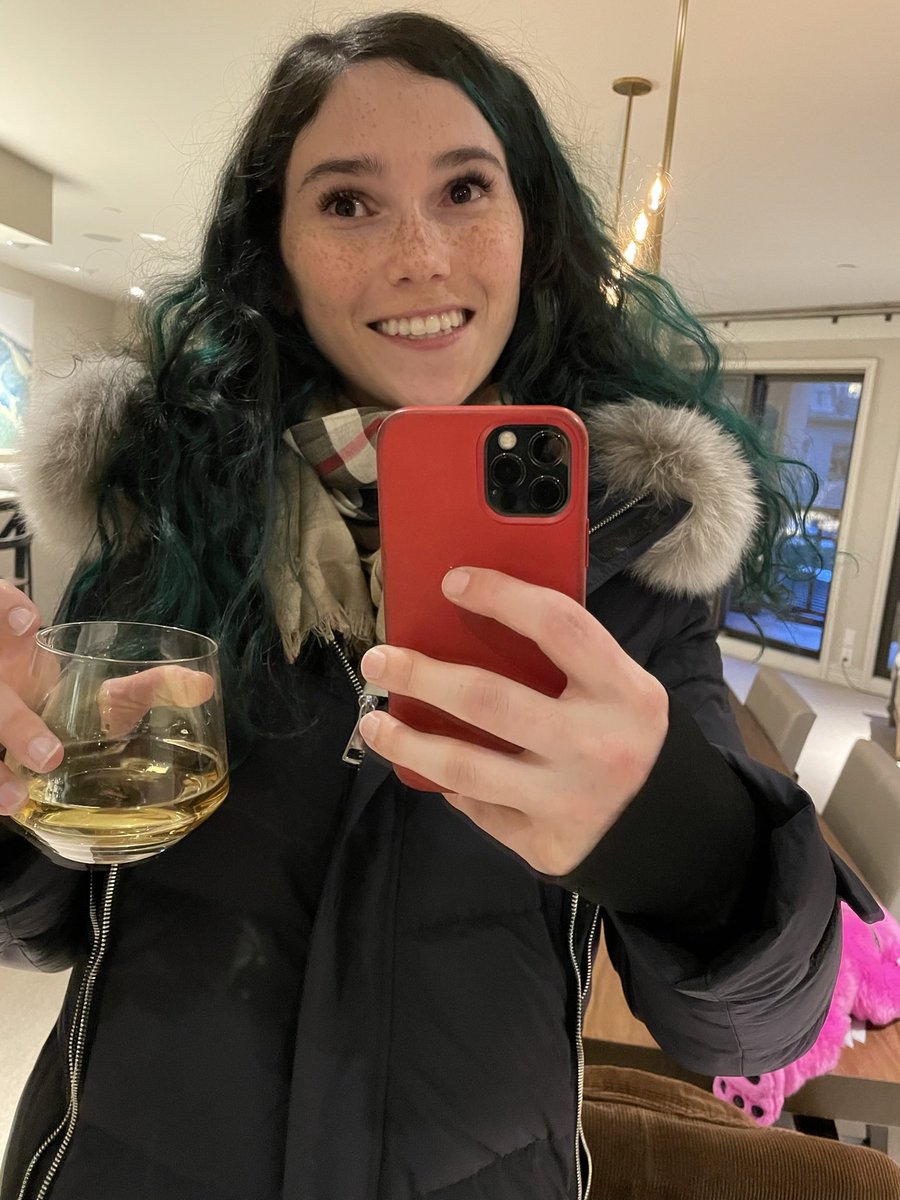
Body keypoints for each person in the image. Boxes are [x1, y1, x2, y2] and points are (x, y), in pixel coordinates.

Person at [0, 11, 878, 1200]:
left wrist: (679, 838)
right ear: (276, 251)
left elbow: (757, 1031)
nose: (419, 255)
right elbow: (44, 922)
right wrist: (22, 782)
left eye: (465, 188)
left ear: (531, 227)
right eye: (347, 202)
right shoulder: (161, 509)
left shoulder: (632, 569)